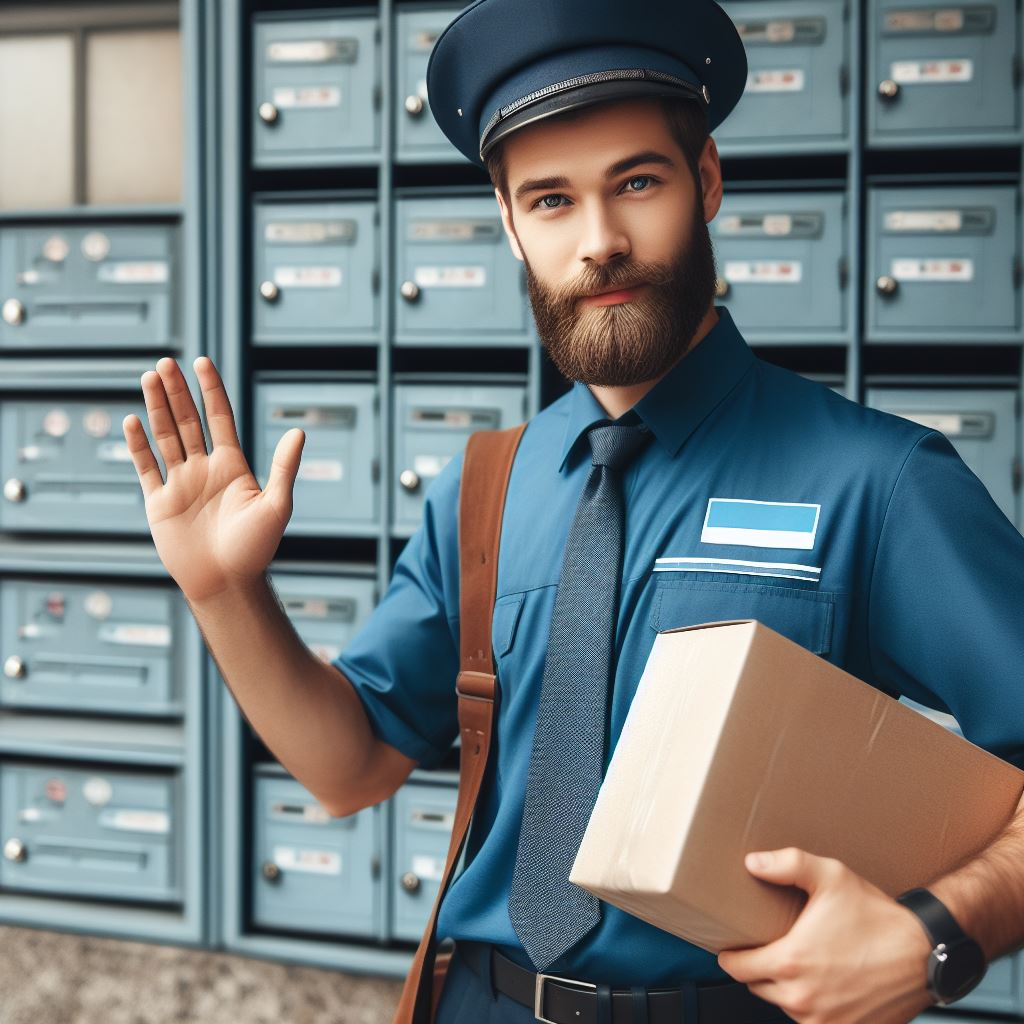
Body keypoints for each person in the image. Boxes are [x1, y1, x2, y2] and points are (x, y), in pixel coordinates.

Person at [122, 0, 1024, 1021]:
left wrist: (936, 935)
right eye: (551, 200)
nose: (600, 241)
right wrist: (224, 591)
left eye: (636, 181)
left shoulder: (878, 479)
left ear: (708, 181)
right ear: (509, 222)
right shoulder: (486, 484)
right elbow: (351, 764)